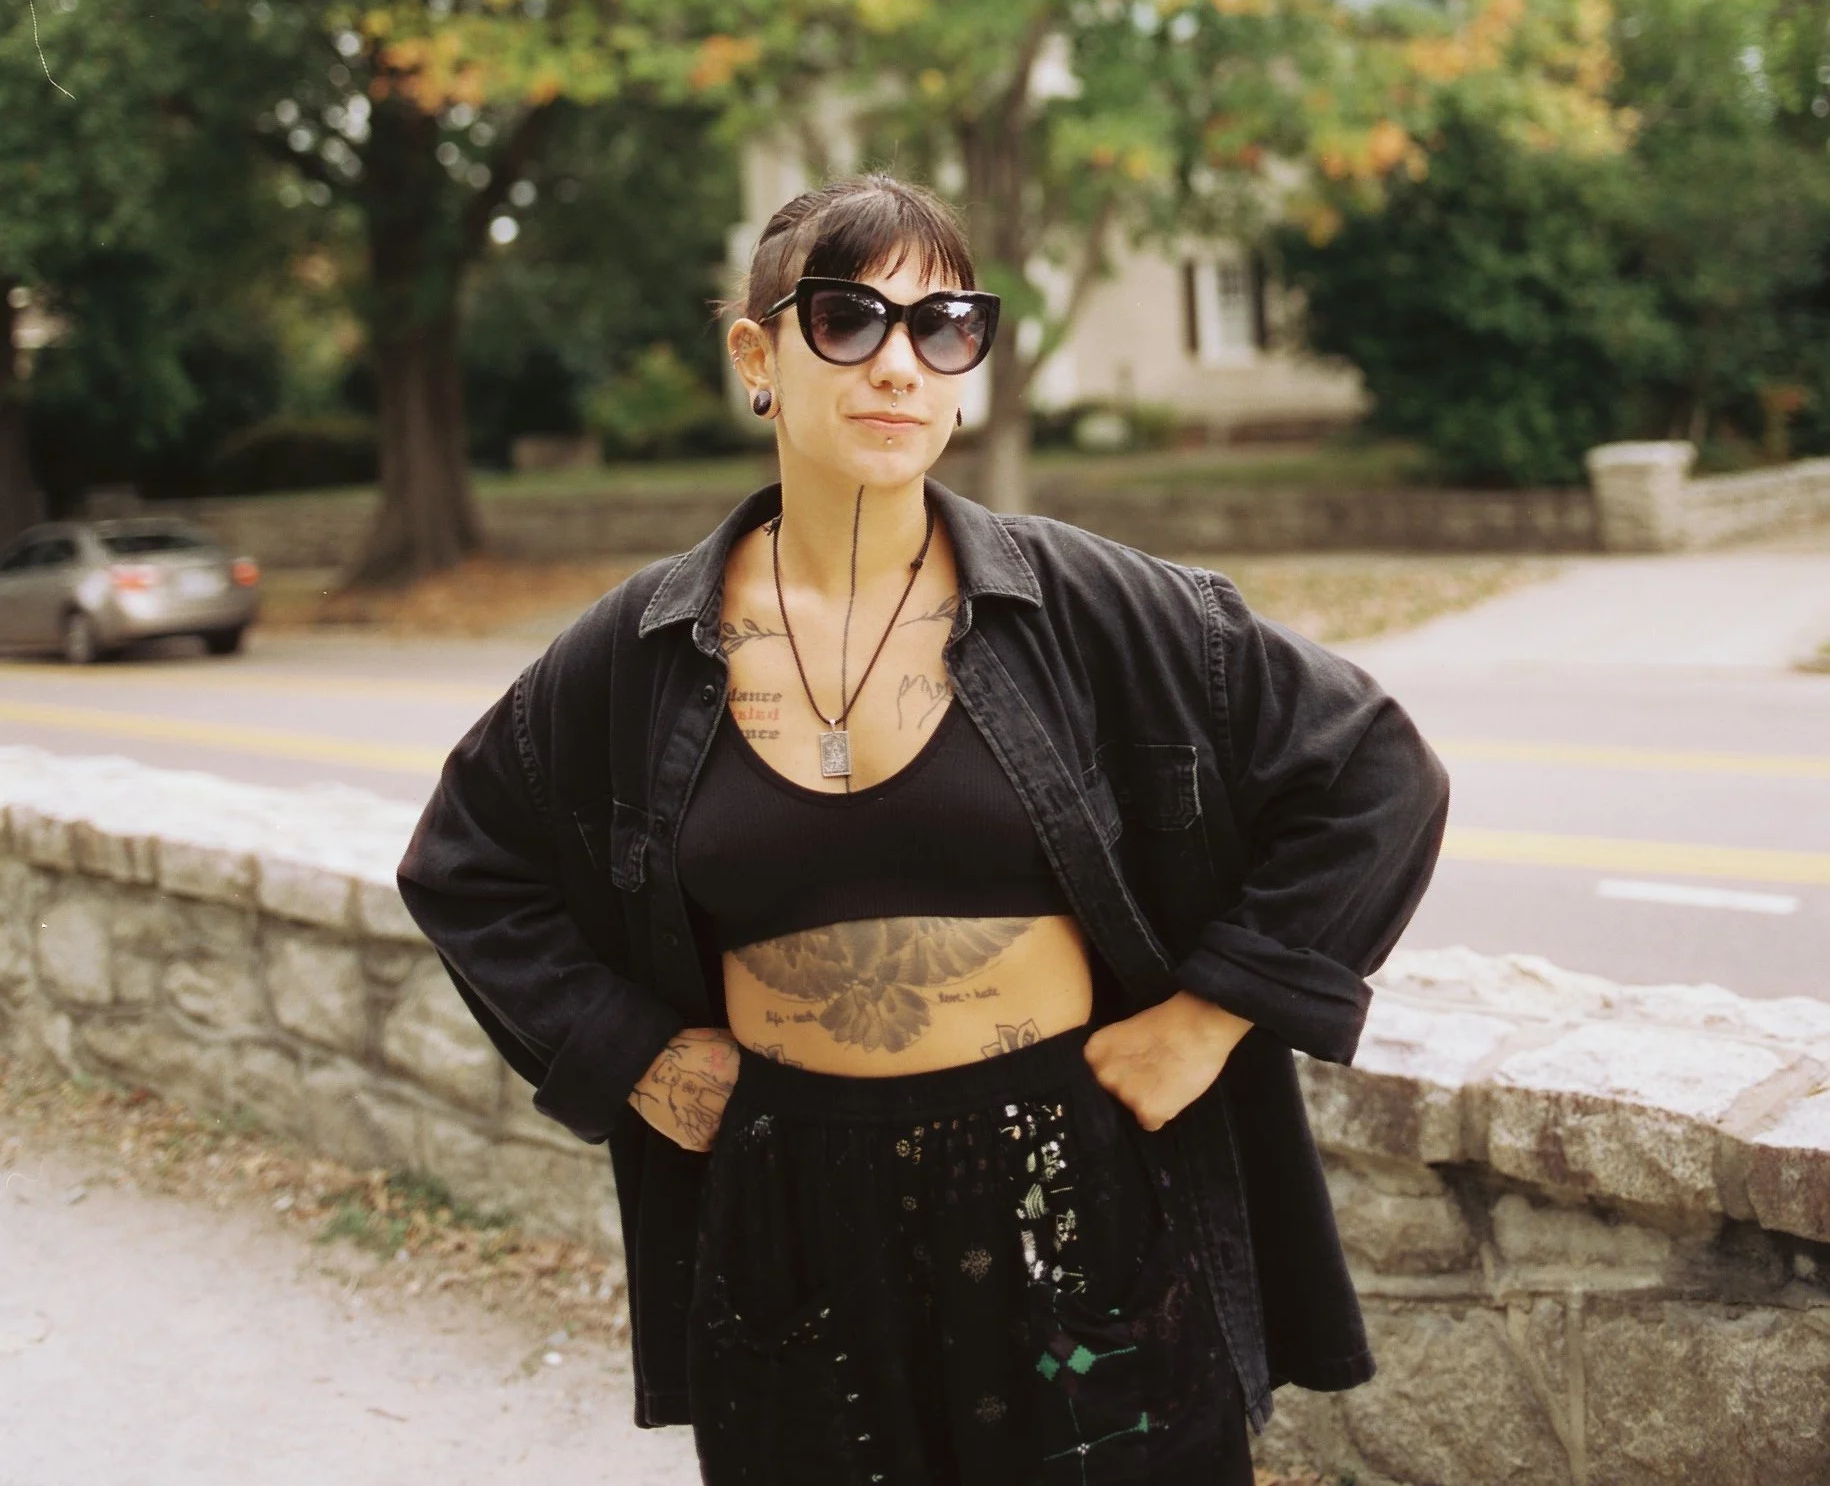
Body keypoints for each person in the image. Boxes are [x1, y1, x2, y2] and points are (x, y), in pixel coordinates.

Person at [397, 172, 1449, 1483]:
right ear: (756, 357)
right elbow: (466, 866)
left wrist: (1208, 1018)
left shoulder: (1097, 606)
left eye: (945, 327)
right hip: (786, 1200)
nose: (900, 363)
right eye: (848, 319)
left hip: (1070, 1181)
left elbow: (1373, 772)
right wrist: (633, 1055)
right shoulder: (640, 650)